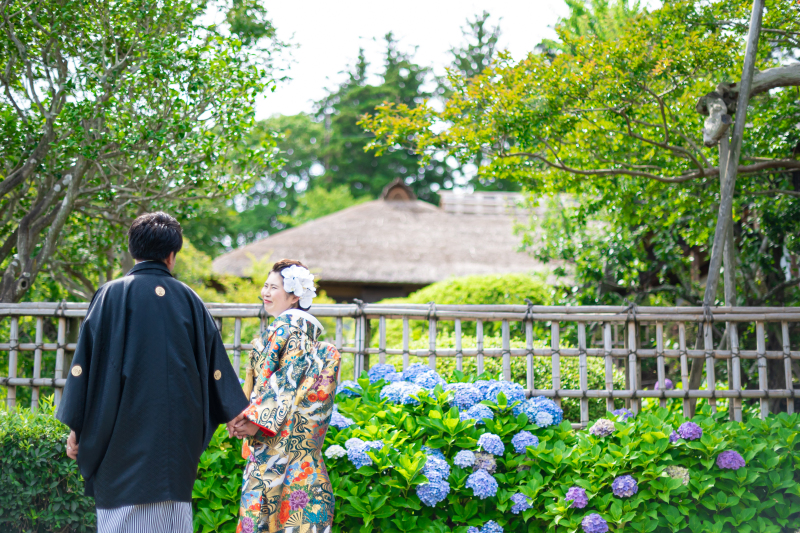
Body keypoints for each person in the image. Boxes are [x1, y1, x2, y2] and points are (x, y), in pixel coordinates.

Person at [56, 212, 249, 533]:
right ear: (172, 256)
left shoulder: (111, 295)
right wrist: (232, 411)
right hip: (175, 444)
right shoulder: (190, 299)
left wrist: (78, 426)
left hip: (119, 438)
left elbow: (85, 368)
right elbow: (216, 365)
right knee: (171, 516)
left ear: (134, 250)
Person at [230, 259, 340, 533]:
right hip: (301, 451)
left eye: (274, 288)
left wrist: (252, 419)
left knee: (265, 519)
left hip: (274, 448)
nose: (265, 293)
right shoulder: (309, 340)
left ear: (295, 296)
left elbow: (283, 383)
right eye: (265, 286)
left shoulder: (285, 332)